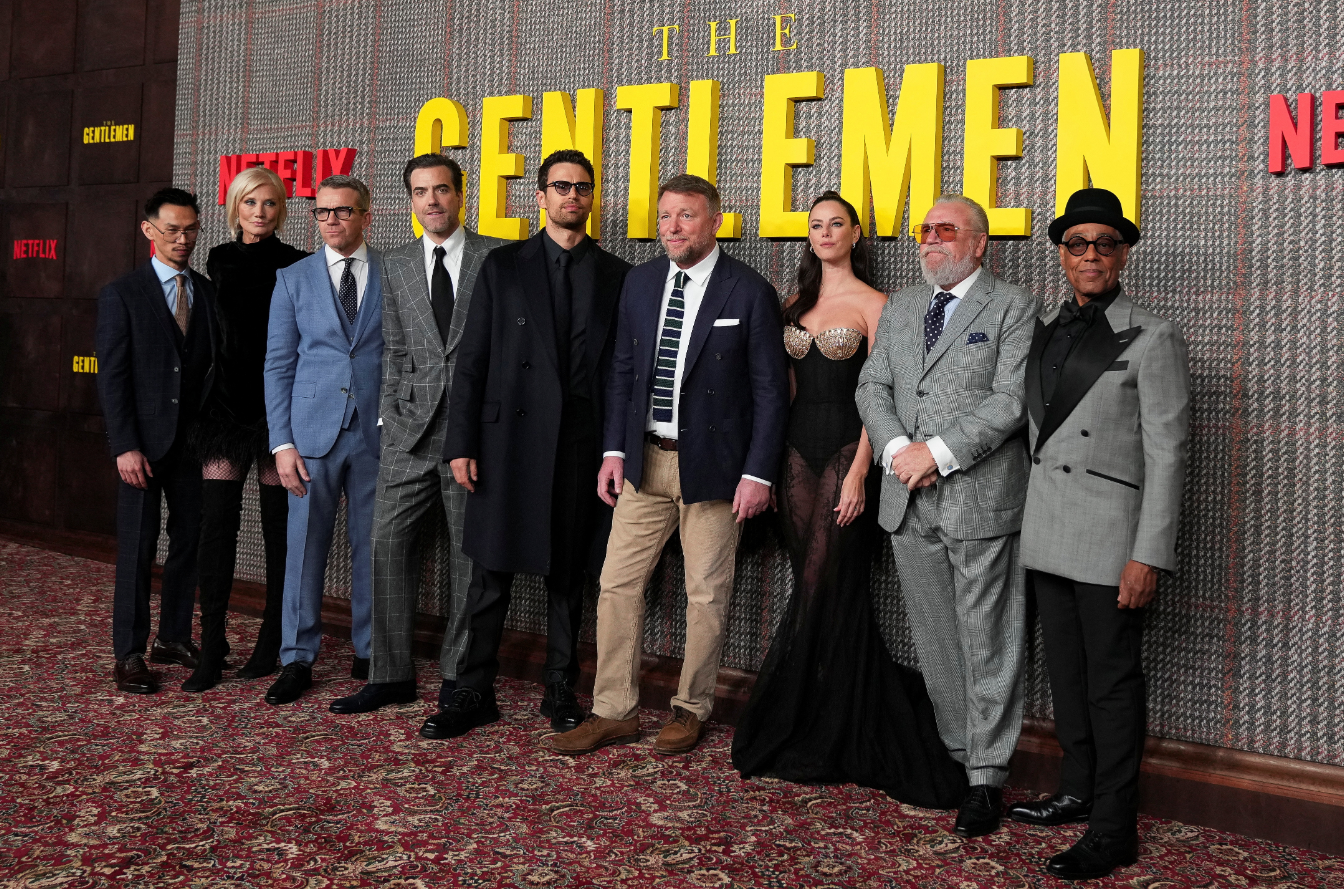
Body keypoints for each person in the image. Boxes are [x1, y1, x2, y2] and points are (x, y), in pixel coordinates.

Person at [729, 191, 967, 808]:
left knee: (823, 583)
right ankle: (819, 716)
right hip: (794, 456)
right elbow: (779, 392)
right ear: (808, 236)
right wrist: (766, 467)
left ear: (856, 234)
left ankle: (815, 724)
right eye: (816, 225)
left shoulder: (878, 305)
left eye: (837, 223)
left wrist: (864, 470)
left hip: (848, 454)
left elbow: (883, 394)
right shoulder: (793, 304)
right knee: (815, 585)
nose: (826, 232)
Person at [547, 174, 789, 757]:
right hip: (644, 462)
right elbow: (622, 371)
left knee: (705, 594)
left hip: (715, 470)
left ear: (715, 221)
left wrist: (758, 473)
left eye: (685, 216)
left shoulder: (748, 290)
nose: (672, 228)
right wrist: (613, 451)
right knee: (616, 585)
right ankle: (613, 711)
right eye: (665, 217)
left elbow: (770, 391)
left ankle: (690, 709)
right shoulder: (641, 281)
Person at [1007, 188, 1190, 881]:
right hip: (1048, 529)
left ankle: (1114, 827)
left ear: (1122, 255)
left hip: (1112, 539)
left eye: (1104, 244)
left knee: (1111, 683)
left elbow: (1169, 454)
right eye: (1078, 244)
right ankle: (1077, 789)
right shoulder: (1044, 329)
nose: (1090, 255)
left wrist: (1149, 554)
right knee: (1066, 672)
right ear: (1062, 254)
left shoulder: (1153, 335)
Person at [855, 195, 1037, 836]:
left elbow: (1011, 401)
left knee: (988, 641)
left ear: (979, 243)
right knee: (936, 641)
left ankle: (988, 777)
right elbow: (872, 385)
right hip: (908, 502)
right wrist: (898, 451)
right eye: (924, 230)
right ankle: (961, 759)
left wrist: (935, 453)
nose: (931, 240)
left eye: (946, 230)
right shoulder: (903, 305)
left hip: (980, 500)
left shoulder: (1013, 305)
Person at [435, 150, 633, 738]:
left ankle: (559, 688)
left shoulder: (618, 274)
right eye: (561, 186)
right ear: (541, 197)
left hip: (579, 442)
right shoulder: (503, 265)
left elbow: (620, 373)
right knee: (489, 570)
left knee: (568, 573)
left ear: (591, 197)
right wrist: (461, 443)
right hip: (506, 441)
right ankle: (474, 689)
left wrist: (615, 448)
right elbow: (472, 359)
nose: (572, 195)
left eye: (582, 187)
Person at [331, 154, 505, 716]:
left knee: (467, 558)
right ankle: (389, 674)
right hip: (408, 432)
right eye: (421, 192)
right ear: (410, 200)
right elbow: (394, 346)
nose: (432, 200)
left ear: (460, 195)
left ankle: (459, 675)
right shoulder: (396, 263)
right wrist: (389, 415)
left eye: (442, 190)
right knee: (385, 546)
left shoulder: (496, 257)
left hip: (472, 437)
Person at [183, 166, 309, 692]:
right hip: (224, 409)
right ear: (235, 207)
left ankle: (270, 642)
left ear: (281, 210)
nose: (260, 212)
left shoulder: (298, 263)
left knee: (279, 531)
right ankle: (211, 645)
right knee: (216, 527)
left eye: (270, 203)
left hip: (275, 412)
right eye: (251, 202)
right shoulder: (217, 259)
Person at [262, 174, 383, 706]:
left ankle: (370, 650)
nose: (331, 220)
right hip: (311, 435)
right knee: (305, 548)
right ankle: (297, 658)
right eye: (323, 212)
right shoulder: (293, 279)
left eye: (343, 211)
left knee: (373, 547)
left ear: (366, 216)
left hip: (377, 432)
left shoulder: (394, 272)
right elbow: (278, 365)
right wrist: (282, 444)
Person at [96, 187, 217, 694]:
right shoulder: (122, 293)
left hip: (192, 446)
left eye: (191, 230)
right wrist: (124, 445)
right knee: (138, 550)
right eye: (172, 230)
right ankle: (129, 653)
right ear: (149, 230)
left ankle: (172, 638)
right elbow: (112, 377)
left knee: (189, 544)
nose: (183, 239)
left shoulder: (206, 291)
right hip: (141, 447)